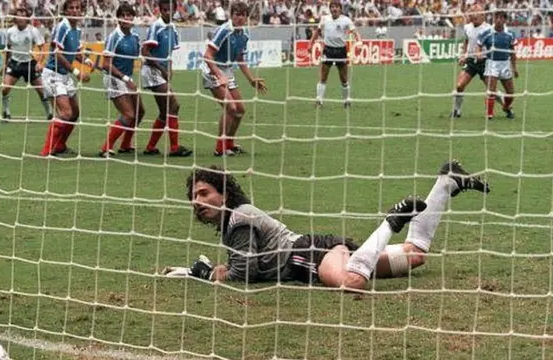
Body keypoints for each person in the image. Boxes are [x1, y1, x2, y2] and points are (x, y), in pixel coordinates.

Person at [165, 160, 490, 290]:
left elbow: (243, 272)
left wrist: (205, 275)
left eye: (204, 192)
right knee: (415, 255)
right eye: (194, 195)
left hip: (305, 254)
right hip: (315, 247)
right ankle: (446, 183)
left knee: (350, 283)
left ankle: (392, 221)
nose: (198, 200)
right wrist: (192, 270)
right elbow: (243, 264)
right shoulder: (234, 221)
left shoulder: (239, 217)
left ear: (223, 194)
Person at [201, 1, 267, 157]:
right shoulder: (224, 31)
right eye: (237, 14)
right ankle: (219, 148)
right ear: (232, 15)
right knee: (231, 108)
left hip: (227, 71)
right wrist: (219, 75)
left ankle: (229, 143)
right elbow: (207, 56)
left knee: (240, 110)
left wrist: (251, 80)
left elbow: (239, 58)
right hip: (212, 69)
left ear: (246, 17)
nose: (240, 18)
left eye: (243, 15)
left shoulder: (244, 34)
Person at [40, 0, 93, 157]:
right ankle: (46, 150)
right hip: (53, 75)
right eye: (71, 7)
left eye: (77, 7)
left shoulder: (76, 29)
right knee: (65, 113)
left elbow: (75, 52)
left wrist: (87, 61)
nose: (75, 10)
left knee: (75, 113)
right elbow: (57, 54)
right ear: (65, 10)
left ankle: (60, 145)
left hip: (64, 76)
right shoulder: (62, 26)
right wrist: (77, 72)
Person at [140, 0, 192, 157]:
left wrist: (170, 69)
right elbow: (145, 51)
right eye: (164, 10)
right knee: (174, 106)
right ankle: (175, 148)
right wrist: (162, 68)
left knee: (165, 112)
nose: (167, 12)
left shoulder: (173, 28)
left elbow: (169, 53)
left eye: (170, 9)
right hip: (151, 71)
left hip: (161, 72)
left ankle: (150, 147)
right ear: (159, 10)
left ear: (175, 9)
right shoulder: (156, 26)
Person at [98, 4, 146, 157]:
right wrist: (125, 78)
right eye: (123, 15)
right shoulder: (114, 37)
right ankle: (106, 147)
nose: (126, 18)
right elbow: (105, 64)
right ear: (118, 18)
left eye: (129, 15)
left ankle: (125, 144)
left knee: (140, 111)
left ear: (133, 17)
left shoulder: (135, 37)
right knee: (129, 115)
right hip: (113, 78)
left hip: (126, 78)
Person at [451, 4, 503, 118]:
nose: (474, 15)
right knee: (459, 86)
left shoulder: (489, 29)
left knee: (492, 90)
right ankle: (456, 110)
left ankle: (507, 106)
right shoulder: (467, 27)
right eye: (472, 13)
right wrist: (463, 55)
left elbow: (494, 46)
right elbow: (466, 41)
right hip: (471, 61)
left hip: (485, 62)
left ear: (483, 15)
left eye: (476, 13)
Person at [1, 7, 52, 122]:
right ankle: (6, 113)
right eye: (18, 16)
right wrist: (5, 64)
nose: (20, 18)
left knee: (41, 91)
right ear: (15, 18)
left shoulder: (33, 31)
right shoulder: (10, 32)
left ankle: (49, 113)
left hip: (30, 64)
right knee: (4, 89)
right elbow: (8, 48)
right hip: (15, 64)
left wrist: (39, 62)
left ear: (27, 18)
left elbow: (42, 47)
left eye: (23, 16)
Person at [308, 0, 361, 108]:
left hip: (341, 51)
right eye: (332, 7)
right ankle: (319, 101)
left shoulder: (346, 20)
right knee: (323, 77)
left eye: (336, 7)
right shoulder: (324, 19)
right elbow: (317, 32)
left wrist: (359, 42)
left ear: (340, 9)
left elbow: (355, 32)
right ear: (330, 8)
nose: (334, 9)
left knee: (344, 79)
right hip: (328, 50)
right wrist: (310, 44)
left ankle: (346, 101)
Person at [477, 11, 517, 121]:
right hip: (492, 63)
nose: (498, 20)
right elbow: (479, 44)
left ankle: (506, 107)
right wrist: (479, 53)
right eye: (497, 18)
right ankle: (489, 114)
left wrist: (514, 68)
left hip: (505, 63)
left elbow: (513, 52)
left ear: (505, 20)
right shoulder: (487, 33)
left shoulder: (510, 34)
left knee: (511, 93)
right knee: (491, 90)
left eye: (501, 18)